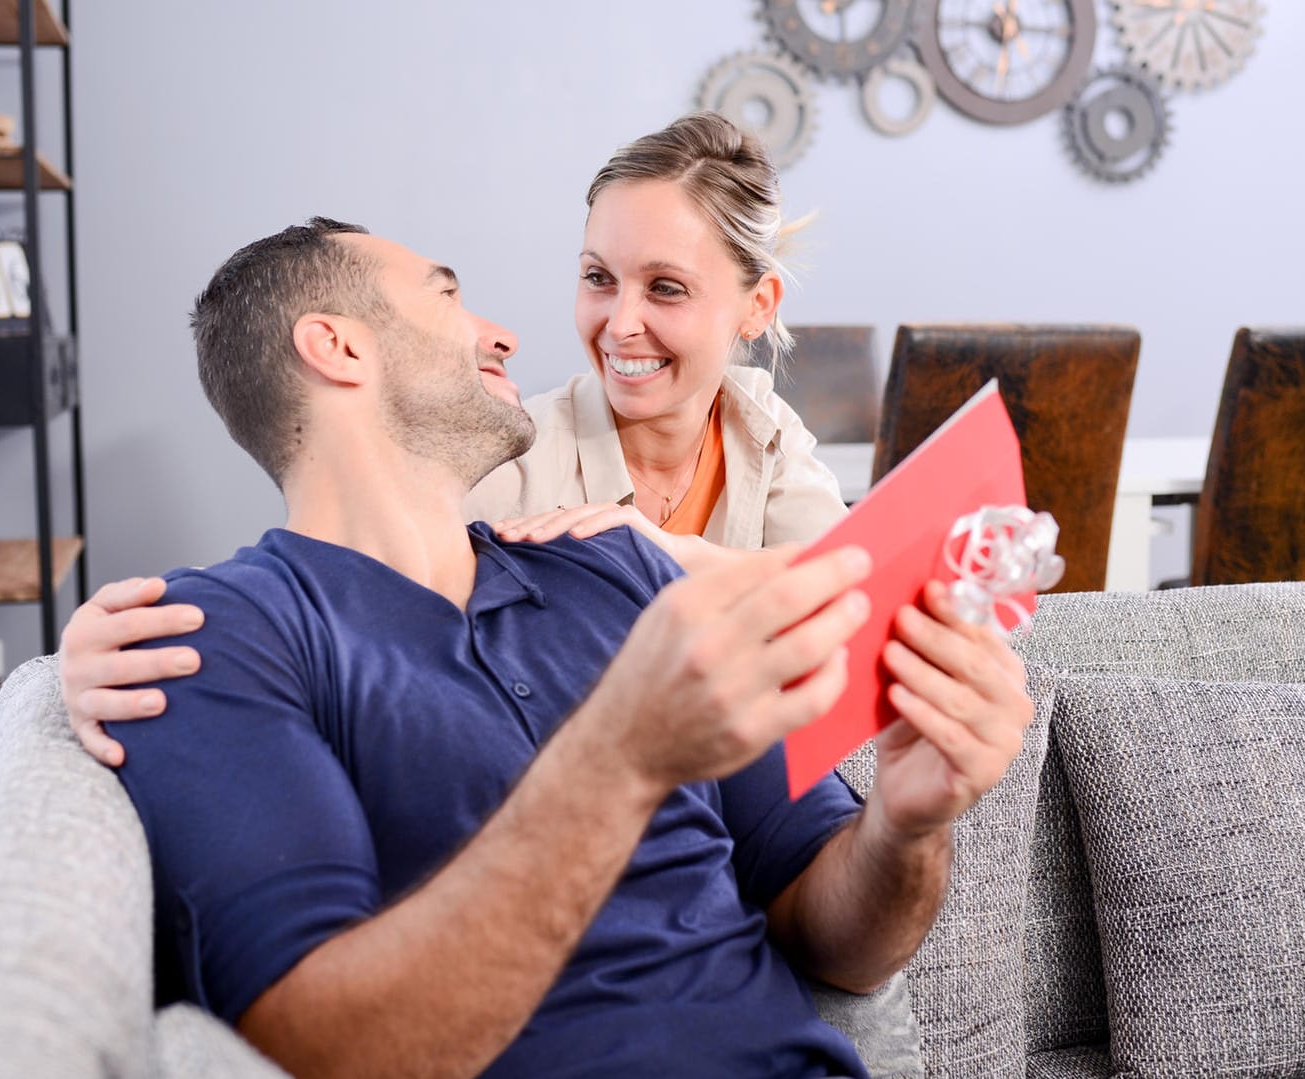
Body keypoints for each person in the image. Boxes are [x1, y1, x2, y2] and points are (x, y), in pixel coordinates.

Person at [104, 215, 1033, 1078]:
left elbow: (846, 943)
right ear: (338, 345)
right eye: (446, 296)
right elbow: (319, 1047)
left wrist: (911, 823)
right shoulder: (211, 638)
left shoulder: (617, 572)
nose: (502, 334)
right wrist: (622, 756)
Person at [63, 113, 848, 760]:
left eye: (666, 288)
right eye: (597, 278)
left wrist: (667, 554)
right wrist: (99, 651)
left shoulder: (762, 432)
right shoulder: (507, 457)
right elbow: (333, 577)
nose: (620, 323)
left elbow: (864, 595)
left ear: (757, 306)